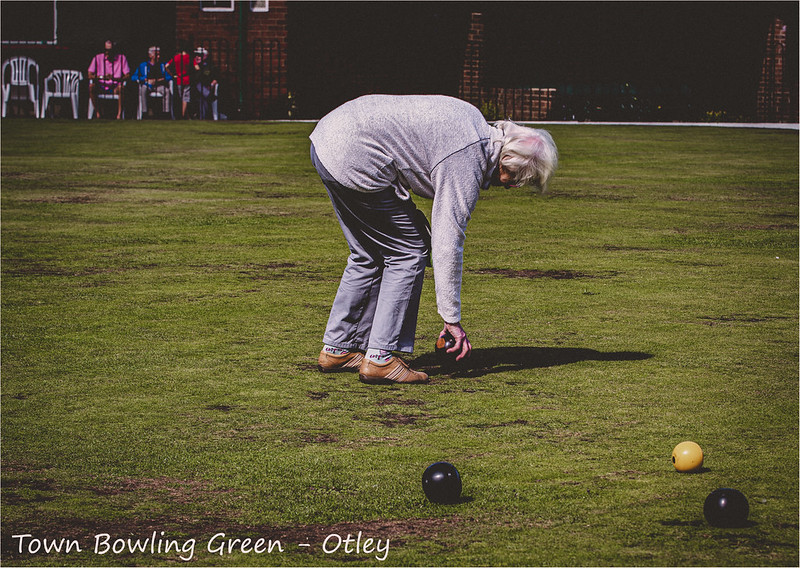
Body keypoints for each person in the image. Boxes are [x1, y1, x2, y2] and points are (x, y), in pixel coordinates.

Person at [310, 95, 558, 385]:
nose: (511, 185)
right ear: (508, 159)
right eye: (514, 177)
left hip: (327, 142)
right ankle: (380, 359)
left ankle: (338, 348)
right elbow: (447, 240)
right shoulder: (469, 157)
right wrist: (451, 320)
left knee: (368, 253)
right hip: (354, 155)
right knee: (408, 250)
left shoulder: (474, 124)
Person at [88, 39, 130, 120]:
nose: (108, 52)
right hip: (101, 85)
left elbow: (127, 75)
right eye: (106, 50)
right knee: (91, 87)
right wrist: (102, 77)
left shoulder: (121, 58)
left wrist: (116, 78)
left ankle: (119, 114)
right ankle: (98, 113)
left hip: (115, 86)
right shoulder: (97, 58)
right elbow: (89, 74)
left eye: (110, 50)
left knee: (122, 88)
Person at [131, 46, 173, 118]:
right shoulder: (143, 65)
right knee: (143, 89)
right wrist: (144, 79)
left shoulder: (163, 65)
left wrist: (160, 80)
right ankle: (144, 112)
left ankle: (166, 113)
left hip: (159, 85)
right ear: (150, 55)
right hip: (148, 85)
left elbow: (170, 76)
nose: (159, 57)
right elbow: (133, 77)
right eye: (156, 55)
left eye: (159, 55)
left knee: (166, 91)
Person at [165, 41, 192, 118]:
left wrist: (172, 75)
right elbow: (197, 68)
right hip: (186, 78)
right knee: (186, 97)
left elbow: (166, 66)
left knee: (180, 97)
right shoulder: (189, 57)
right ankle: (183, 115)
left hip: (179, 79)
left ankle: (184, 114)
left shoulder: (176, 58)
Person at [191, 47, 218, 119]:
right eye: (196, 55)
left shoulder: (209, 66)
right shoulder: (193, 65)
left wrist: (212, 83)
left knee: (203, 100)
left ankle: (203, 117)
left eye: (199, 55)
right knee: (199, 85)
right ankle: (209, 95)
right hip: (194, 88)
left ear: (205, 56)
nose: (197, 57)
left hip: (206, 87)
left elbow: (212, 76)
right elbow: (195, 79)